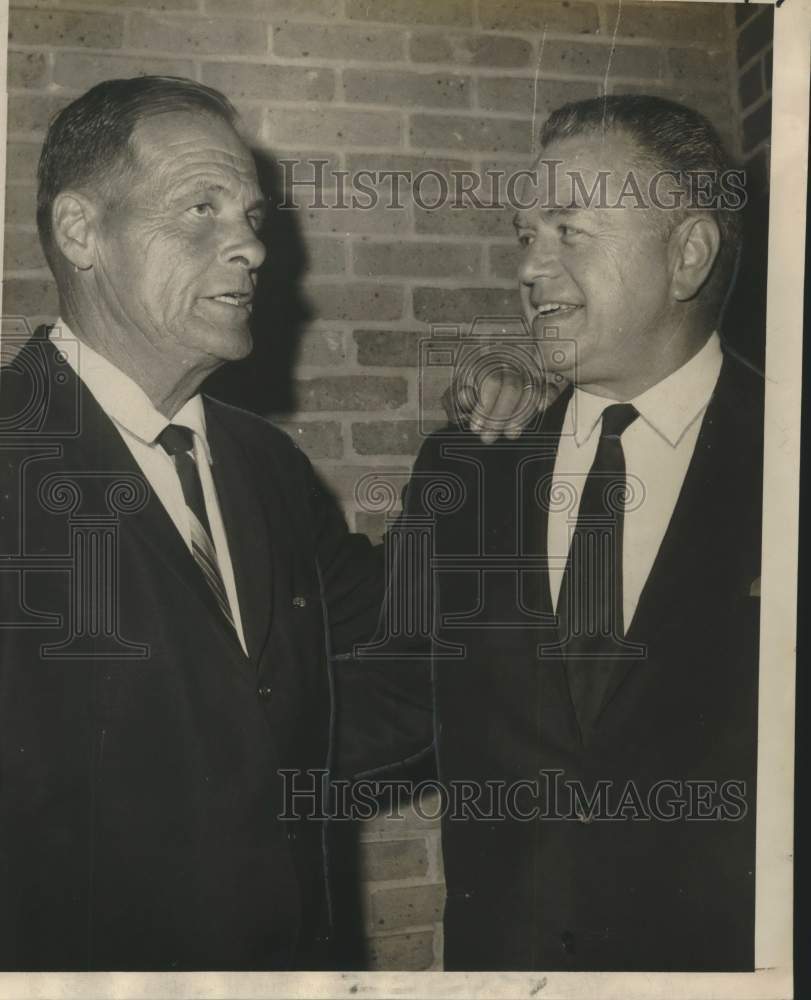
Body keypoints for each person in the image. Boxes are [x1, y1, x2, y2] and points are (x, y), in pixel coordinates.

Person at [0, 76, 442, 971]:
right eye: (199, 208)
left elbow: (409, 639)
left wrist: (484, 447)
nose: (247, 244)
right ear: (82, 232)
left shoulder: (264, 466)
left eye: (250, 215)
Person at [336, 94, 763, 971]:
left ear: (686, 255)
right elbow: (389, 695)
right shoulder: (470, 468)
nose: (530, 269)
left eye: (569, 230)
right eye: (525, 236)